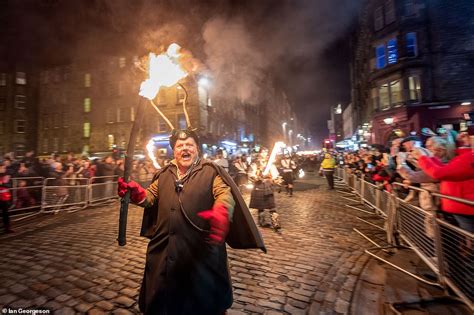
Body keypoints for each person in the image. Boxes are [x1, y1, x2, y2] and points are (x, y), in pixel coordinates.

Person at [117, 128, 265, 314]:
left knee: (203, 305)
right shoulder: (164, 174)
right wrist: (136, 193)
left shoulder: (211, 172)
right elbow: (150, 197)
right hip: (165, 252)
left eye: (189, 145)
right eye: (180, 146)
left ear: (197, 149)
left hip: (200, 255)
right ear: (174, 150)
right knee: (164, 303)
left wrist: (221, 212)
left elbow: (224, 195)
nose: (185, 149)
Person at [0, 163, 13, 233]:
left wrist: (3, 184)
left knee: (5, 213)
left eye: (4, 168)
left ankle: (7, 228)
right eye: (2, 168)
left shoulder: (6, 175)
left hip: (4, 198)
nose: (4, 169)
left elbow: (8, 184)